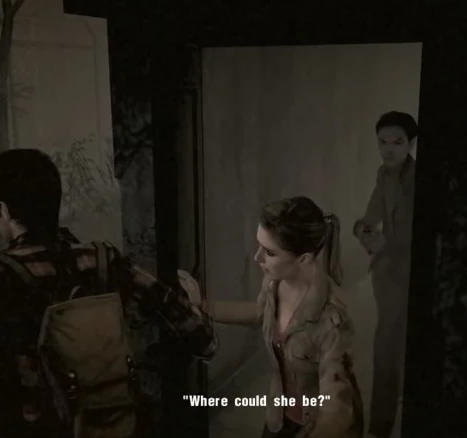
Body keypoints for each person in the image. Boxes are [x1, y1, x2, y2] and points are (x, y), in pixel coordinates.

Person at [0, 149, 218, 438]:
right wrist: (196, 316)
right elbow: (200, 335)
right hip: (114, 427)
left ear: (3, 210)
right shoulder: (103, 260)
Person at [178, 196, 364, 438]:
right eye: (259, 246)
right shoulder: (273, 283)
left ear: (304, 259)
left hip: (313, 427)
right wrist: (203, 306)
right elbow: (260, 312)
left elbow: (336, 406)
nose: (257, 258)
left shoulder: (332, 321)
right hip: (279, 418)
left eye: (269, 252)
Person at [353, 111, 417, 438]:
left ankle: (385, 425)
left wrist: (385, 242)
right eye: (383, 142)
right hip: (388, 275)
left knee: (397, 348)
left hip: (411, 271)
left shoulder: (419, 179)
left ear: (411, 144)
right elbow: (370, 215)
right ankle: (380, 427)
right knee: (386, 348)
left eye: (397, 142)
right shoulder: (384, 174)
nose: (389, 149)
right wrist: (364, 231)